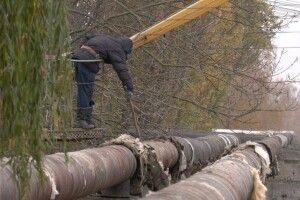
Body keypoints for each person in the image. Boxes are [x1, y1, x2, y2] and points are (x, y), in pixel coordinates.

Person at [72, 33, 134, 129]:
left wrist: (83, 49)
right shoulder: (117, 48)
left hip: (78, 59)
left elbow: (88, 36)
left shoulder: (107, 38)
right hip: (87, 62)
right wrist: (129, 88)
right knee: (85, 90)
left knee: (85, 90)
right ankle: (81, 120)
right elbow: (122, 70)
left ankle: (86, 119)